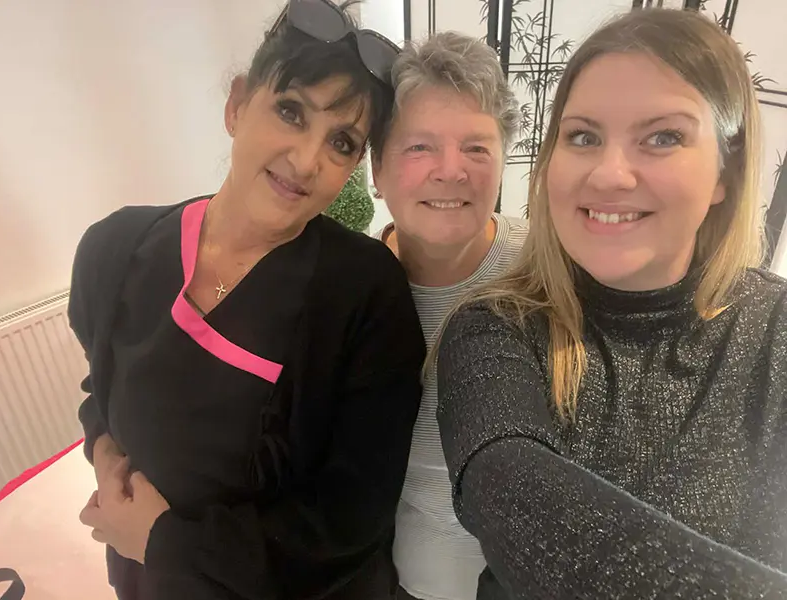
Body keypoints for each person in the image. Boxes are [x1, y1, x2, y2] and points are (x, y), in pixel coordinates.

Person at [70, 1, 426, 598]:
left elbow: (351, 517)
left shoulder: (365, 294)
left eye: (341, 142)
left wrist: (165, 542)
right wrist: (103, 452)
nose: (306, 161)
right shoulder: (114, 250)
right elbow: (100, 391)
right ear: (237, 104)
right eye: (291, 111)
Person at [436, 8, 787, 599]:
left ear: (724, 173)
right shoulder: (493, 329)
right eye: (583, 136)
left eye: (663, 137)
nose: (610, 174)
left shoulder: (775, 332)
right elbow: (506, 491)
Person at [370, 32, 527, 600]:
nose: (451, 170)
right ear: (377, 168)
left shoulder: (545, 272)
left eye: (477, 148)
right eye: (420, 146)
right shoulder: (349, 291)